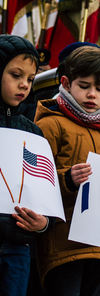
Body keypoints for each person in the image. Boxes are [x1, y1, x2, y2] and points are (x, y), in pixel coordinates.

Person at [34, 46, 100, 295]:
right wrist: (66, 178)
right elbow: (31, 182)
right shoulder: (50, 124)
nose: (92, 94)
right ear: (66, 83)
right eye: (84, 85)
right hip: (64, 247)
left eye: (99, 89)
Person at [0, 35, 54, 296]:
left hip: (18, 248)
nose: (24, 85)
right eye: (15, 75)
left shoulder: (33, 132)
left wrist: (43, 222)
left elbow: (46, 195)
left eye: (30, 79)